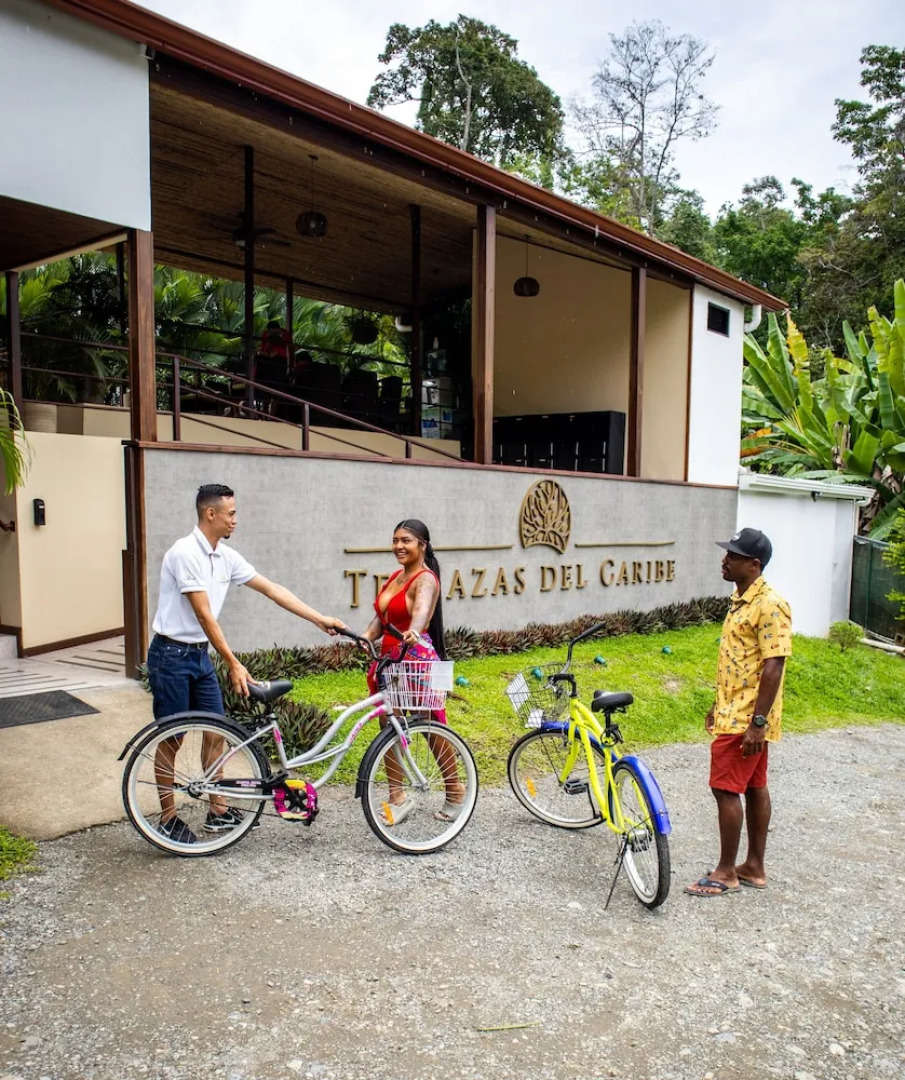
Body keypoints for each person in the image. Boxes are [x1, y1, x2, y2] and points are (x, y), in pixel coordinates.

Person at [148, 483, 345, 844]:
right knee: (171, 737)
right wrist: (235, 664)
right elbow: (205, 617)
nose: (236, 519)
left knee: (217, 732)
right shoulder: (184, 553)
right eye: (231, 513)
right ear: (211, 514)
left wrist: (319, 619)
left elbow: (272, 589)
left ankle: (218, 810)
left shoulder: (225, 557)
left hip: (198, 656)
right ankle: (167, 817)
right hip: (170, 656)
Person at [685, 528, 792, 897]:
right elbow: (738, 661)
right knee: (754, 785)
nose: (725, 560)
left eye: (733, 555)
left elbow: (773, 665)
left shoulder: (770, 604)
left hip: (747, 718)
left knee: (724, 788)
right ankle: (754, 867)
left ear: (754, 564)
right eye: (727, 553)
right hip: (735, 711)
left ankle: (726, 871)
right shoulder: (741, 600)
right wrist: (718, 703)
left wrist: (757, 724)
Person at [360, 518, 463, 825]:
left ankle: (456, 790)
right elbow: (381, 617)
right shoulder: (395, 577)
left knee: (430, 728)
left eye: (406, 540)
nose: (398, 546)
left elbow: (420, 612)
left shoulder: (426, 579)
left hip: (416, 658)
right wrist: (365, 638)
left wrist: (414, 631)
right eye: (395, 540)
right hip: (390, 661)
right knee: (389, 727)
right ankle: (397, 796)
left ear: (422, 545)